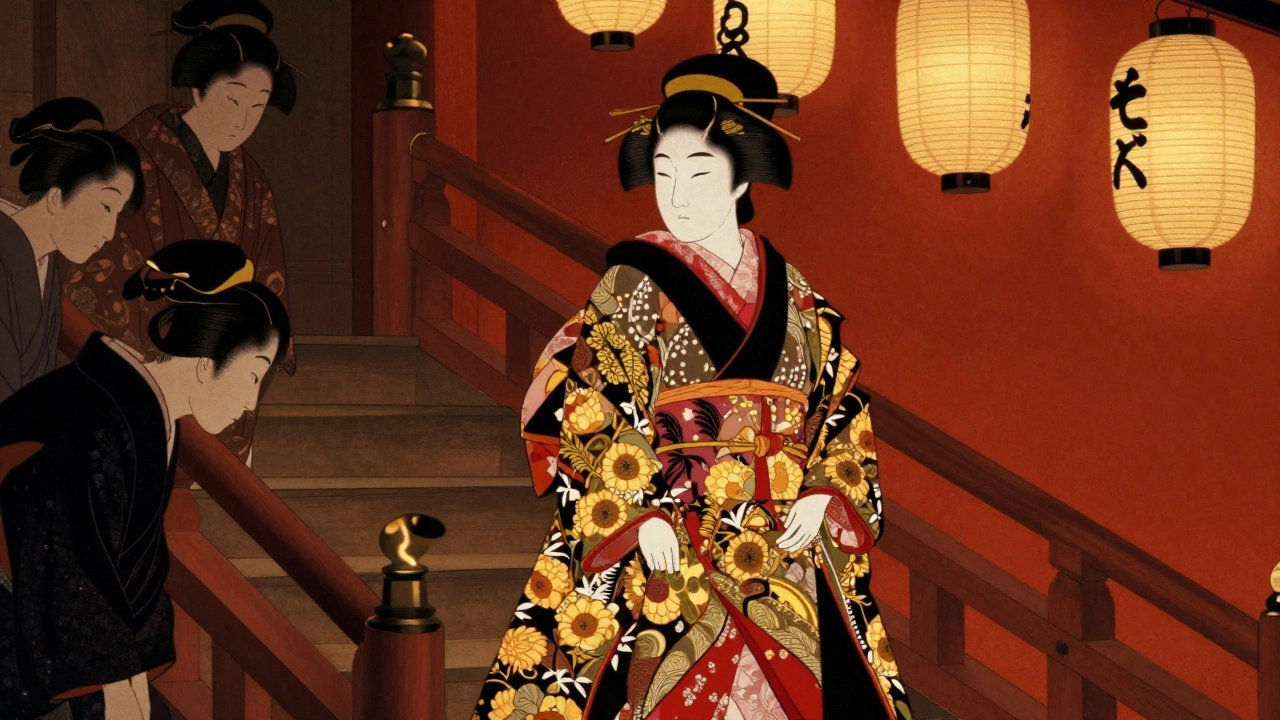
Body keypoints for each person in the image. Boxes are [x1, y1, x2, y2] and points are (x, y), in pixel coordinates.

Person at [472, 53, 912, 720]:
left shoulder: (796, 296)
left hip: (781, 543)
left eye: (699, 174)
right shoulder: (631, 287)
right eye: (664, 175)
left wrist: (825, 495)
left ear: (741, 181)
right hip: (672, 533)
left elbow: (838, 406)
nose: (676, 195)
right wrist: (641, 510)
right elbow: (585, 402)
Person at [0, 240, 292, 720]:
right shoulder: (98, 414)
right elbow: (77, 568)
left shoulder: (145, 419)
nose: (249, 403)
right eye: (253, 377)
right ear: (205, 363)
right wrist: (120, 693)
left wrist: (129, 684)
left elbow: (127, 580)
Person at [60, 0, 297, 465]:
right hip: (154, 356)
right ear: (198, 90)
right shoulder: (132, 156)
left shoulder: (255, 185)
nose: (242, 119)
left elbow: (270, 283)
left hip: (225, 373)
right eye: (232, 99)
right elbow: (97, 262)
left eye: (257, 106)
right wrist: (173, 344)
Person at [0, 97, 143, 402]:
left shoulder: (45, 268)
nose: (108, 232)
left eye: (117, 213)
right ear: (55, 195)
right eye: (105, 205)